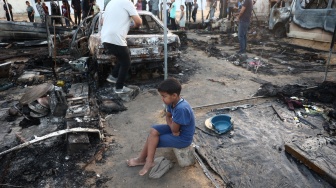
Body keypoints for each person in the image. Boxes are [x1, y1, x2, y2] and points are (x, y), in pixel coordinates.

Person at [127, 78, 195, 176]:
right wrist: (172, 127)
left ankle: (146, 161)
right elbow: (168, 117)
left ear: (174, 95)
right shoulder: (171, 103)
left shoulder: (181, 108)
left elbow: (174, 128)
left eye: (164, 96)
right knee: (153, 130)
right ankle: (143, 160)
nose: (162, 98)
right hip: (177, 130)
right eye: (161, 96)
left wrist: (173, 128)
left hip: (183, 138)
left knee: (153, 139)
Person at [101, 0, 142, 93]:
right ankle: (119, 88)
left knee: (123, 58)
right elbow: (139, 22)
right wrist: (132, 25)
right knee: (126, 62)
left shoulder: (110, 3)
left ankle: (113, 76)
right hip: (115, 37)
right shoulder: (127, 3)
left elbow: (102, 21)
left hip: (105, 37)